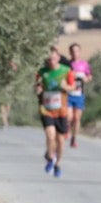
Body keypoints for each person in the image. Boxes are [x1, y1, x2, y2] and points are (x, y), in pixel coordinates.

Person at [35, 47, 74, 177]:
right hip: (46, 109)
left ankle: (58, 164)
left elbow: (72, 87)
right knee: (50, 135)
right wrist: (38, 89)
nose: (51, 61)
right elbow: (37, 86)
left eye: (53, 58)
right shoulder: (41, 72)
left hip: (61, 111)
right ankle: (51, 158)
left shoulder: (66, 71)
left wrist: (65, 87)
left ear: (58, 58)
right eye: (49, 59)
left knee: (60, 141)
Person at [65, 42, 92, 148]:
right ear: (70, 52)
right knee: (69, 116)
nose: (74, 53)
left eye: (76, 51)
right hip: (68, 94)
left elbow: (89, 76)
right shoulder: (67, 64)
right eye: (72, 51)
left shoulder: (84, 64)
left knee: (77, 118)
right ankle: (66, 128)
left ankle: (74, 138)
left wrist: (86, 78)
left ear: (79, 52)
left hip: (79, 94)